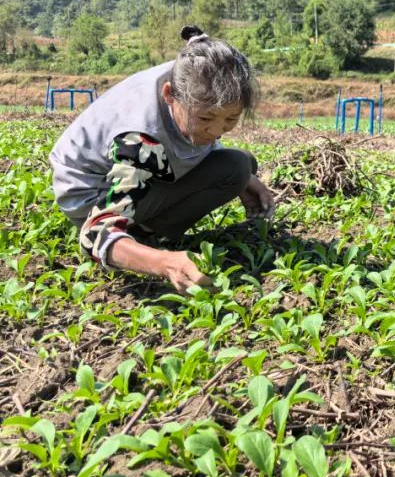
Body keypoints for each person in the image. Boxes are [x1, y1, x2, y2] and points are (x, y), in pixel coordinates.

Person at [50, 25, 275, 290]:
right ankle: (138, 236)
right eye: (204, 118)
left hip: (136, 164)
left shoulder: (193, 67)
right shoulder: (139, 142)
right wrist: (163, 263)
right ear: (170, 95)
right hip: (92, 195)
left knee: (241, 164)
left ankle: (146, 227)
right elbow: (93, 234)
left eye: (230, 119)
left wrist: (245, 178)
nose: (216, 131)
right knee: (234, 167)